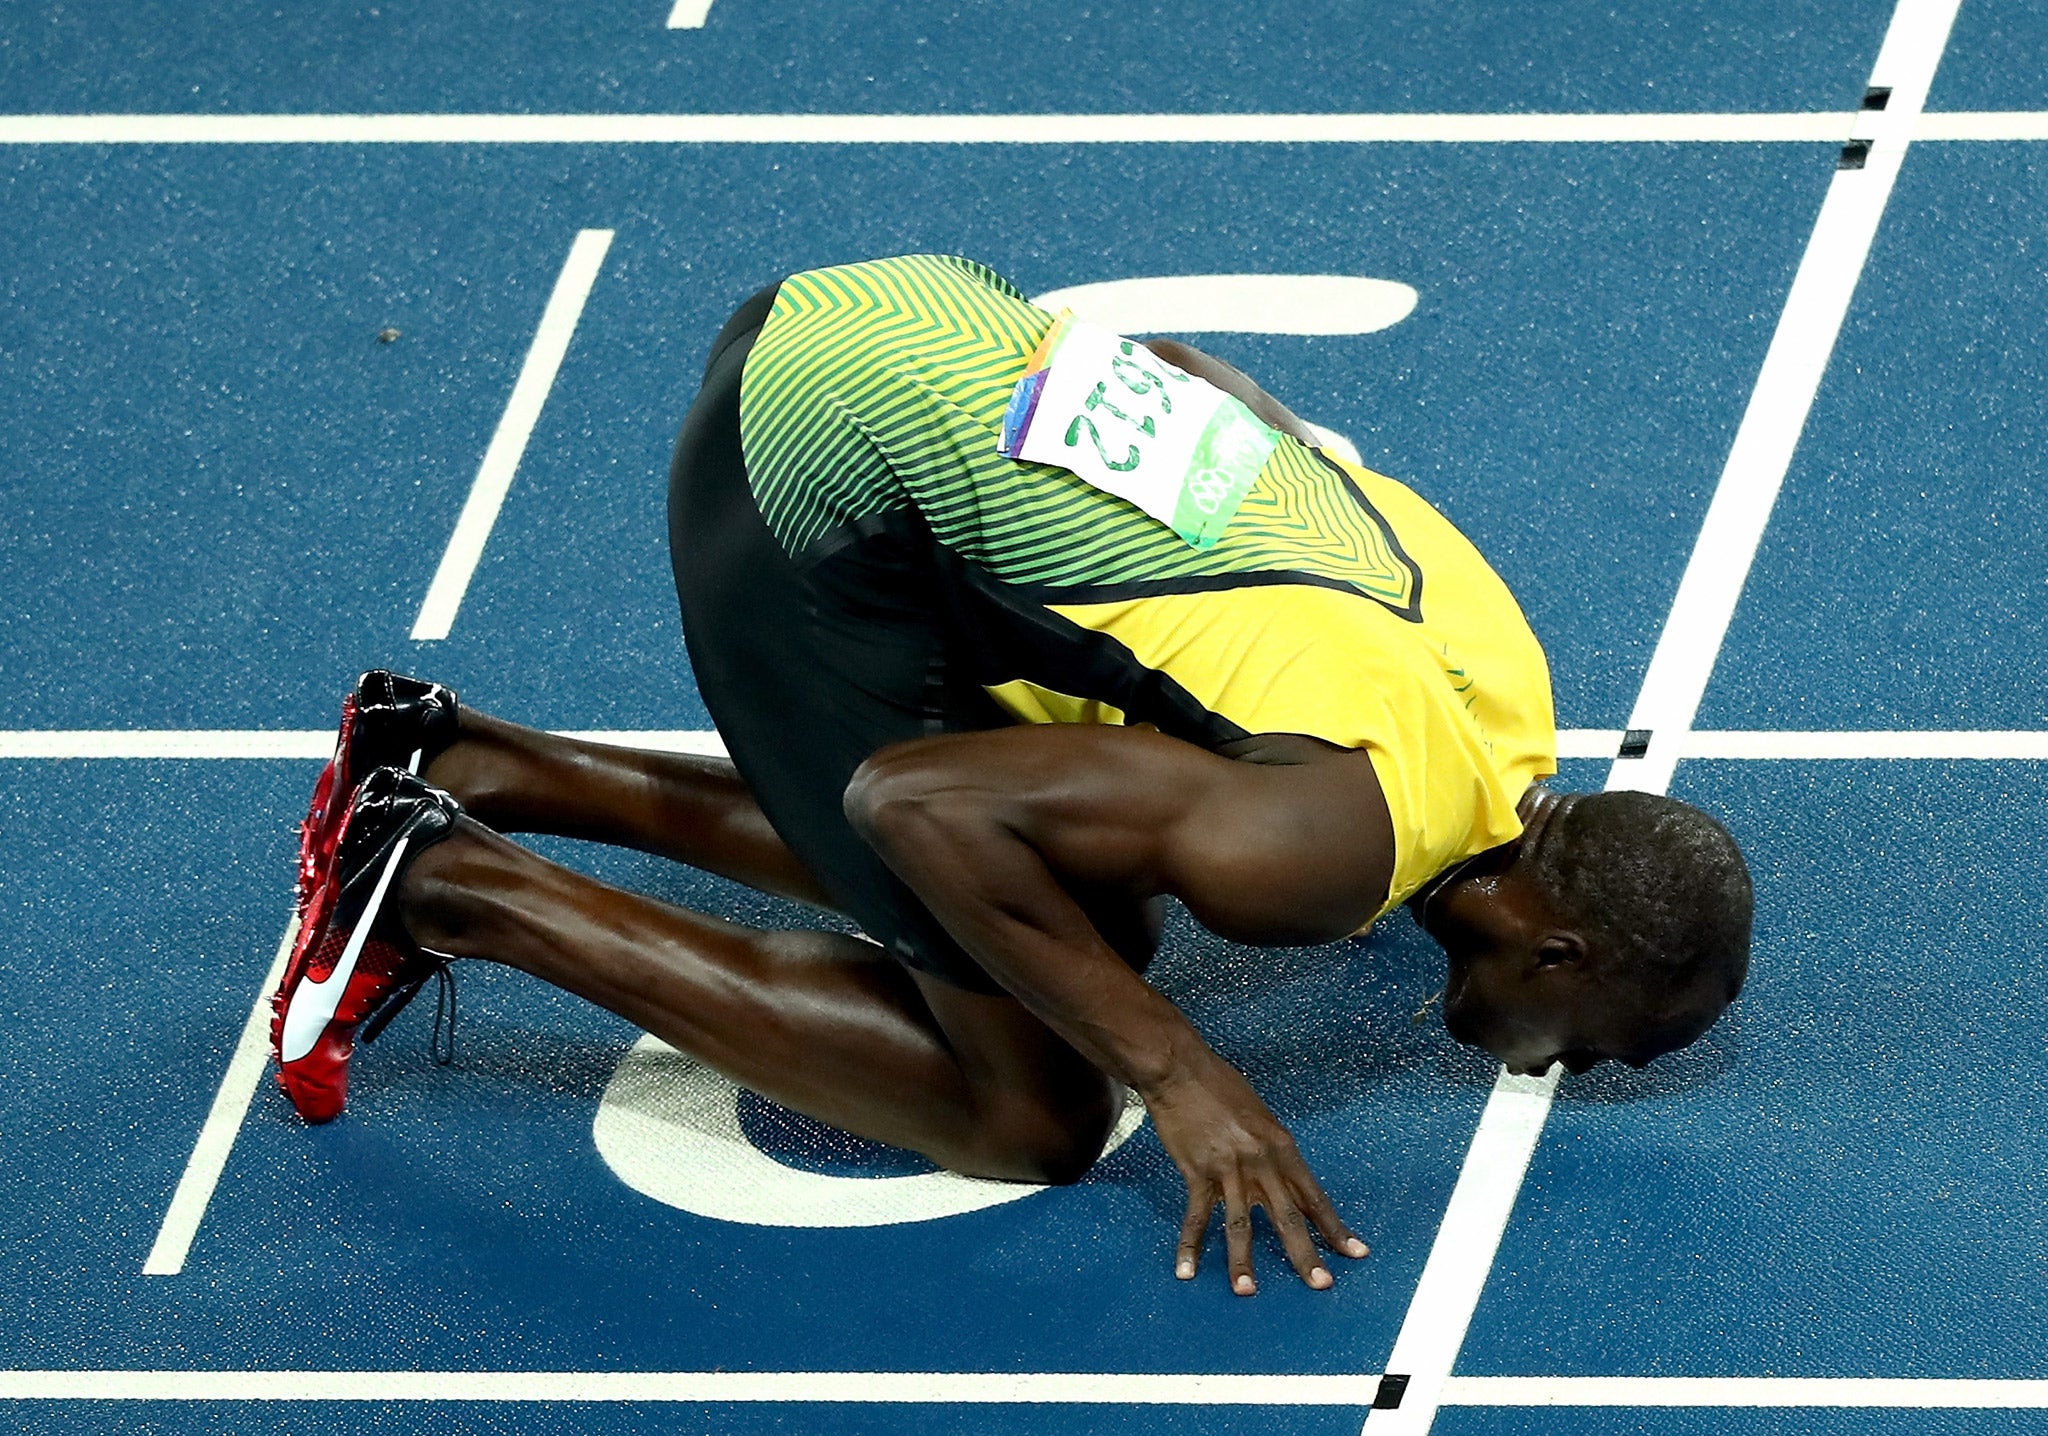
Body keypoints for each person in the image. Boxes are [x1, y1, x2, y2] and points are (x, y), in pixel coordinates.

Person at [270, 255, 1753, 1296]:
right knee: (1034, 1109)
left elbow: (1216, 394)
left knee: (1090, 906)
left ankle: (464, 760)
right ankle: (447, 884)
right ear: (1558, 943)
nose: (1568, 1070)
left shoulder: (1506, 700)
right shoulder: (1316, 854)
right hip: (804, 470)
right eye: (1602, 1042)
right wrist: (1184, 1079)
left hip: (923, 319)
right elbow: (912, 806)